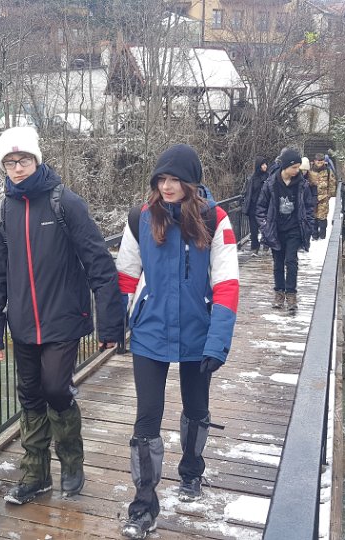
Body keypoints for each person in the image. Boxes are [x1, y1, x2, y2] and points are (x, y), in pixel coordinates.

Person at [0, 126, 124, 505]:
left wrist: (110, 324)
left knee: (56, 389)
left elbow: (98, 262)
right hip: (23, 322)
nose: (17, 168)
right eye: (10, 162)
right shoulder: (1, 214)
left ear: (37, 160)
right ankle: (36, 476)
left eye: (23, 160)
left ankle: (72, 463)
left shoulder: (65, 203)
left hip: (63, 318)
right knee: (30, 396)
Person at [115, 144, 240, 539]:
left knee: (196, 408)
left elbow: (227, 285)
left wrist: (217, 342)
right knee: (146, 420)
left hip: (198, 332)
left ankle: (191, 470)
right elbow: (126, 276)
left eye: (174, 180)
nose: (166, 187)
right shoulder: (140, 218)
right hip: (150, 332)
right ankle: (143, 507)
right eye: (161, 180)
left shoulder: (216, 220)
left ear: (192, 183)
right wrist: (117, 325)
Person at [255, 147, 315, 315]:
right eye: (294, 167)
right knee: (278, 263)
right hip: (276, 229)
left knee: (291, 261)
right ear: (286, 166)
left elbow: (309, 207)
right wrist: (265, 226)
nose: (297, 170)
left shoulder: (302, 185)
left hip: (295, 229)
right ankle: (279, 293)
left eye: (298, 167)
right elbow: (260, 208)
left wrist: (309, 225)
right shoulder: (271, 183)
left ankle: (291, 294)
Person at [242, 156, 270, 255]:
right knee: (253, 230)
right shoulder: (252, 178)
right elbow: (248, 192)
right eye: (263, 164)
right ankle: (254, 247)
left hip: (265, 207)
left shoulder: (269, 177)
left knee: (265, 227)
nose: (265, 166)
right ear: (259, 165)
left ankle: (266, 245)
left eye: (266, 164)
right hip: (253, 207)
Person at [307, 153, 336, 240]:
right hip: (312, 197)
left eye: (321, 161)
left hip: (323, 198)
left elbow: (332, 183)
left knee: (322, 218)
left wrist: (329, 195)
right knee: (313, 217)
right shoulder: (310, 171)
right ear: (314, 161)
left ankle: (323, 236)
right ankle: (314, 236)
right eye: (318, 161)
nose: (320, 162)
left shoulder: (328, 171)